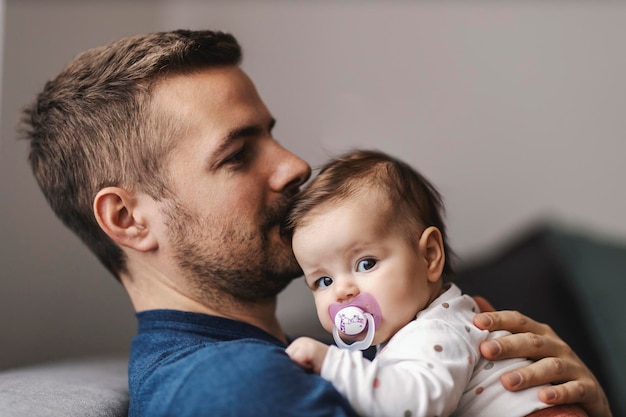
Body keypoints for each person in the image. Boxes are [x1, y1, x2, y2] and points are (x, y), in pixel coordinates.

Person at [18, 29, 611, 417]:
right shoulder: (233, 389)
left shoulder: (334, 345)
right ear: (128, 219)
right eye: (237, 154)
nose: (294, 166)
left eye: (270, 134)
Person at [284, 149, 592, 417]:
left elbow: (414, 406)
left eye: (366, 263)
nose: (342, 291)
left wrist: (332, 365)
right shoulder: (423, 325)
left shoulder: (435, 330)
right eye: (323, 280)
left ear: (429, 256)